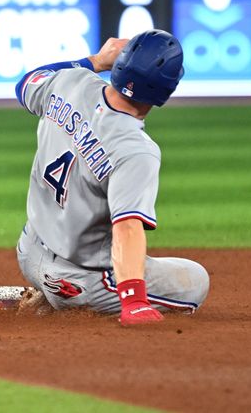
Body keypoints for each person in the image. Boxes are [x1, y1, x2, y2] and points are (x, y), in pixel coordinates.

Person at [13, 30, 209, 326]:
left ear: (120, 61)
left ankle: (49, 292)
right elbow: (128, 227)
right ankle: (65, 297)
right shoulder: (135, 150)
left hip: (28, 250)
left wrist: (95, 61)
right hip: (76, 281)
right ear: (165, 92)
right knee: (195, 280)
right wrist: (134, 301)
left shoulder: (70, 81)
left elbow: (25, 84)